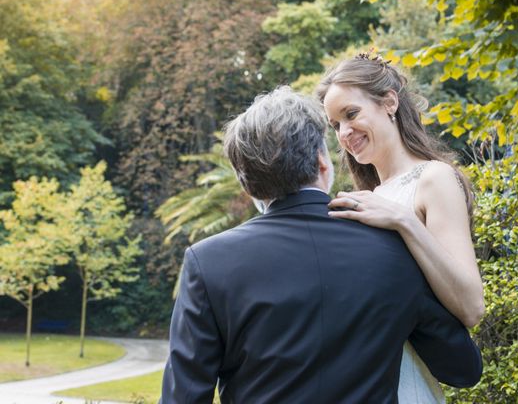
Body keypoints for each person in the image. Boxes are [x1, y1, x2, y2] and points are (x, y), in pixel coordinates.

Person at [160, 87, 482, 403]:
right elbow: (462, 369)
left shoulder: (208, 262)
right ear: (322, 162)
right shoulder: (393, 246)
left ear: (249, 186)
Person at [317, 54, 485, 404]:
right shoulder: (370, 198)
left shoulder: (433, 178)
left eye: (351, 114)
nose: (344, 132)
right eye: (335, 125)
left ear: (389, 102)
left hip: (408, 384)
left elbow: (471, 306)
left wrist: (404, 221)